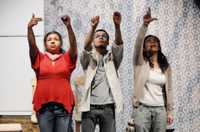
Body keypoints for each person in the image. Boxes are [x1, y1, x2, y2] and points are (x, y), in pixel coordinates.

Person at [27, 14, 77, 132]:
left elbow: (74, 46)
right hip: (44, 108)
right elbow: (32, 45)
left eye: (56, 39)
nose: (53, 41)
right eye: (49, 40)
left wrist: (69, 27)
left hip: (63, 106)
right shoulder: (39, 58)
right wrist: (29, 29)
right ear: (45, 44)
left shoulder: (67, 58)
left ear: (60, 43)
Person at [79, 11, 124, 132]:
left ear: (108, 42)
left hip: (108, 106)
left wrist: (117, 26)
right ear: (93, 41)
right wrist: (93, 27)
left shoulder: (113, 58)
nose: (101, 37)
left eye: (104, 36)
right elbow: (86, 47)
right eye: (97, 36)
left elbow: (119, 44)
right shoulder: (88, 58)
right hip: (89, 106)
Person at [132, 8, 174, 132]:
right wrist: (145, 25)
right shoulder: (140, 63)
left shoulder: (166, 67)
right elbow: (138, 44)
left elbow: (169, 90)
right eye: (149, 41)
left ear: (159, 46)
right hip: (142, 109)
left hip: (160, 110)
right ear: (144, 48)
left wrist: (170, 111)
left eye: (155, 41)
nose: (152, 42)